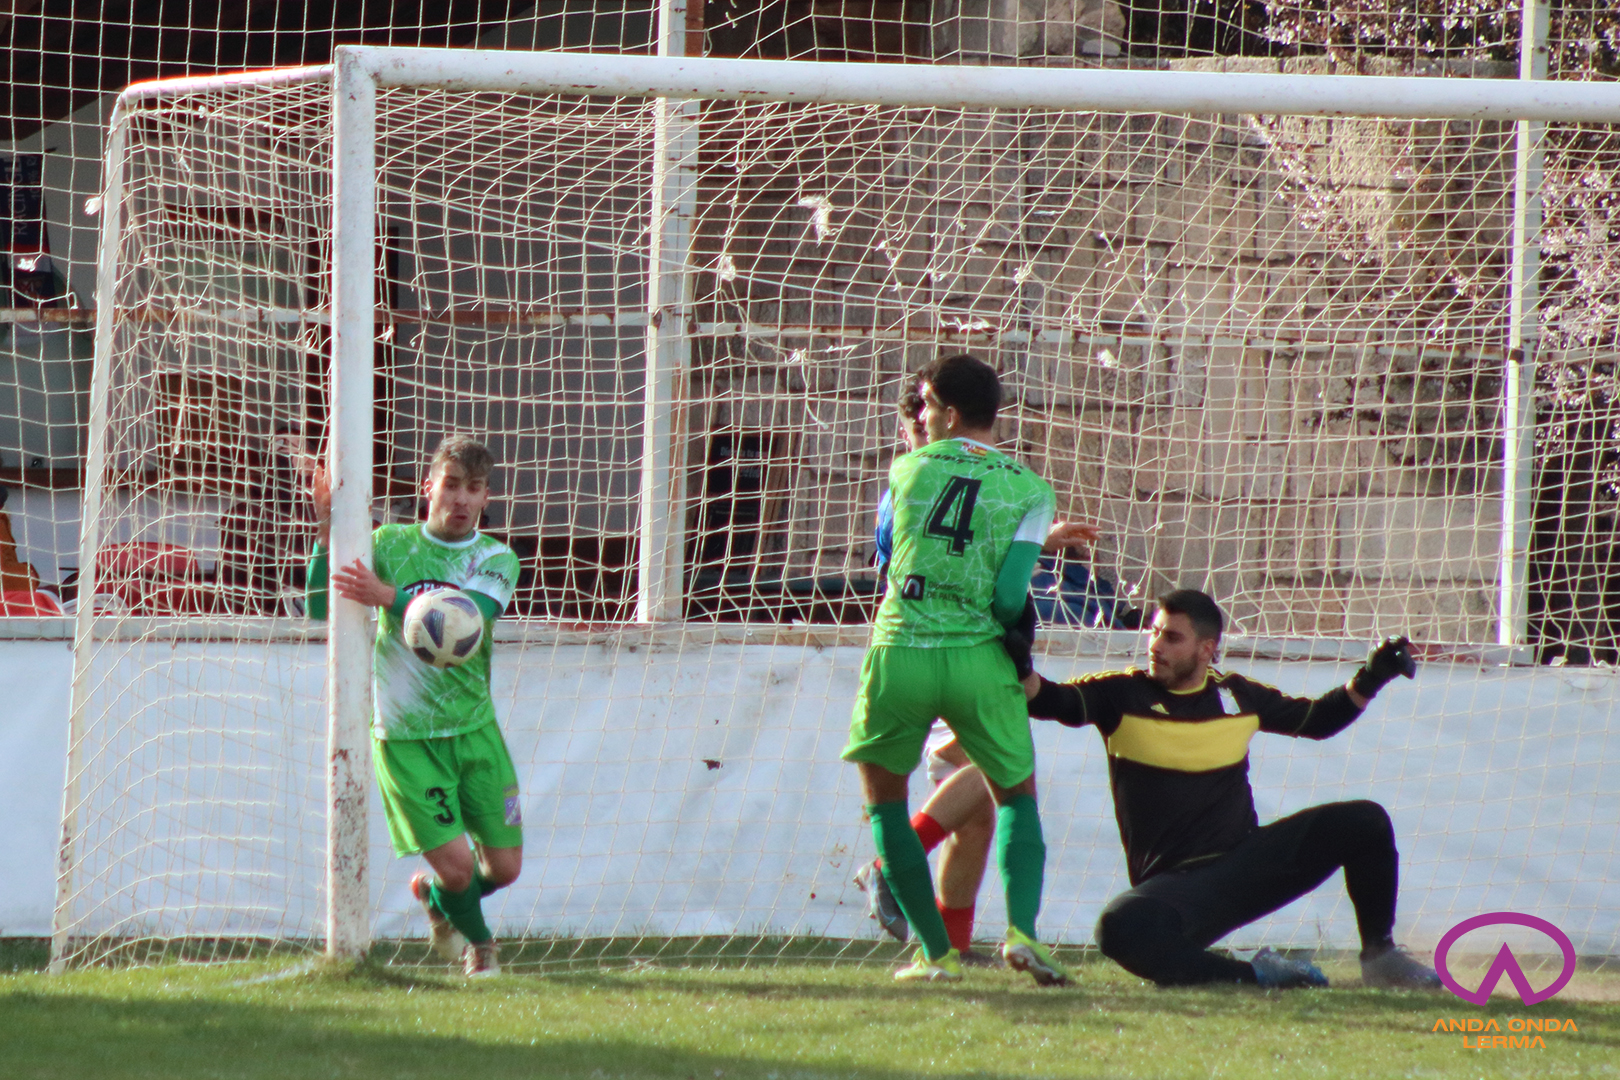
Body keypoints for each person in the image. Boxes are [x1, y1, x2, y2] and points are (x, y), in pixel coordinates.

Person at [1021, 588, 1442, 990]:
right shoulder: (1119, 694)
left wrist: (1372, 676)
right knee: (1120, 927)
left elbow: (1318, 720)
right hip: (1179, 888)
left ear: (1206, 649)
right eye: (1154, 632)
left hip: (1246, 864)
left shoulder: (1236, 695)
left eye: (1172, 638)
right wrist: (1019, 662)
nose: (1155, 646)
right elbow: (1047, 699)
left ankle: (1381, 957)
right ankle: (1259, 976)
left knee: (1364, 820)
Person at [842, 353, 1070, 985]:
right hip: (978, 658)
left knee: (886, 805)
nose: (921, 415)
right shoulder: (1031, 489)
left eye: (925, 404)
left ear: (945, 411)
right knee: (1015, 795)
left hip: (902, 650)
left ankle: (936, 955)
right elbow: (1010, 596)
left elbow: (888, 557)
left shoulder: (906, 469)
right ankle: (1022, 933)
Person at [306, 435, 524, 977]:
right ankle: (482, 947)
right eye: (451, 485)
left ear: (486, 497)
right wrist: (326, 532)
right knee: (458, 869)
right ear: (429, 487)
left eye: (474, 488)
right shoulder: (389, 544)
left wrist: (389, 597)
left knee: (505, 868)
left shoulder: (495, 558)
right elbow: (319, 607)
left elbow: (465, 618)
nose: (461, 499)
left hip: (475, 730)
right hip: (406, 738)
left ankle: (437, 898)